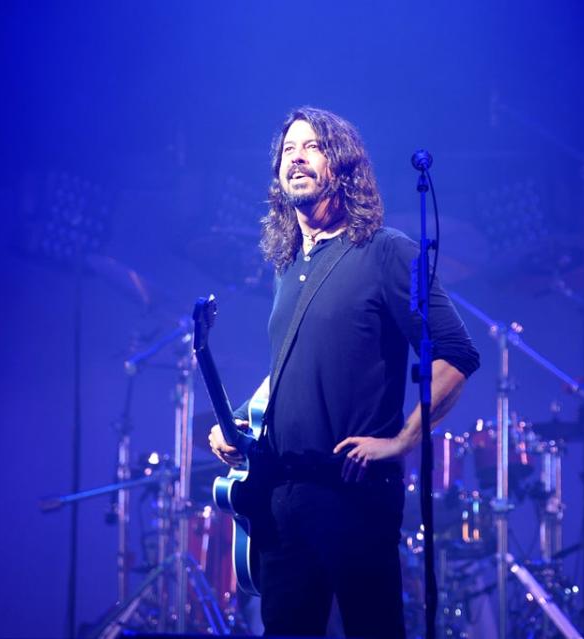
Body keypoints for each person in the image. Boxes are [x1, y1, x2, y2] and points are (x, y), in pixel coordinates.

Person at [209, 106, 479, 638]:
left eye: (311, 147)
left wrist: (401, 441)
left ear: (343, 164)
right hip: (282, 497)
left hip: (353, 495)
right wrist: (237, 423)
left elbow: (456, 353)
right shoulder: (288, 266)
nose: (296, 158)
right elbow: (292, 369)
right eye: (288, 150)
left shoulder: (384, 252)